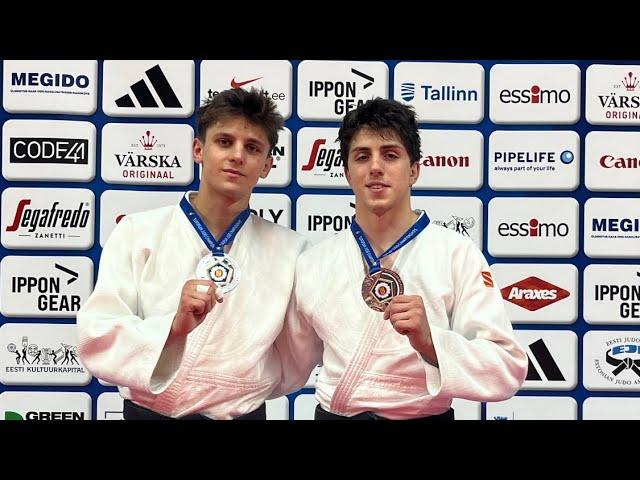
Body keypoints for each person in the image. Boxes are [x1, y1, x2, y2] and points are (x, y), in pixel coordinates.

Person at [284, 98, 528, 420]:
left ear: (413, 171)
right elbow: (288, 364)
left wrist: (431, 343)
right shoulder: (314, 262)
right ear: (347, 173)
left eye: (390, 155)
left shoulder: (455, 252)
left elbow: (506, 368)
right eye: (362, 156)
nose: (375, 167)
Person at [77, 88, 310, 420]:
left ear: (267, 165)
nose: (237, 156)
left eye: (252, 148)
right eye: (224, 142)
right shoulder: (137, 232)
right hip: (150, 414)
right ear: (199, 149)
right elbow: (99, 332)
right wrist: (173, 328)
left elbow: (296, 355)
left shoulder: (291, 251)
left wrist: (242, 386)